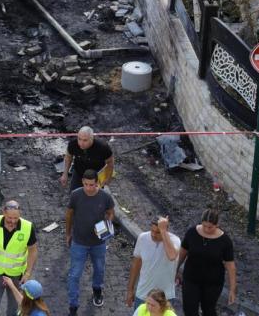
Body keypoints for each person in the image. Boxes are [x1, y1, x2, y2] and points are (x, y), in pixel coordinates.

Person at [65, 169, 115, 314]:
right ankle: (73, 306)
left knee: (99, 269)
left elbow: (111, 212)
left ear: (97, 183)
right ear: (82, 182)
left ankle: (97, 290)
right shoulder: (76, 195)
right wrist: (68, 234)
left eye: (92, 185)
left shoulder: (105, 197)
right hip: (79, 242)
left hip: (98, 243)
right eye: (86, 184)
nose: (88, 188)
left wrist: (106, 226)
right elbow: (69, 215)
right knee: (74, 275)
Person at [177, 209, 237, 316]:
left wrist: (232, 289)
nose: (206, 229)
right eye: (204, 226)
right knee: (189, 309)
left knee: (208, 310)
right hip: (191, 279)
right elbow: (182, 254)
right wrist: (175, 270)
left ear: (217, 225)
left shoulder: (225, 241)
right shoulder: (192, 233)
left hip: (213, 283)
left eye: (210, 227)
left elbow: (230, 266)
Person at [126, 217, 180, 308]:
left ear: (166, 230)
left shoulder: (175, 240)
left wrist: (163, 232)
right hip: (143, 295)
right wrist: (130, 290)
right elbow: (135, 264)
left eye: (158, 232)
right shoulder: (142, 238)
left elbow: (172, 256)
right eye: (152, 231)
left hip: (165, 298)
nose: (153, 235)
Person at [60, 126, 115, 192]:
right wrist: (65, 173)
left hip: (96, 175)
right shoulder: (73, 144)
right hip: (79, 173)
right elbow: (68, 157)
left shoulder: (102, 148)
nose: (81, 143)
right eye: (79, 139)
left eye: (85, 140)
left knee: (94, 195)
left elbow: (110, 162)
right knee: (74, 194)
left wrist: (108, 178)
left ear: (92, 138)